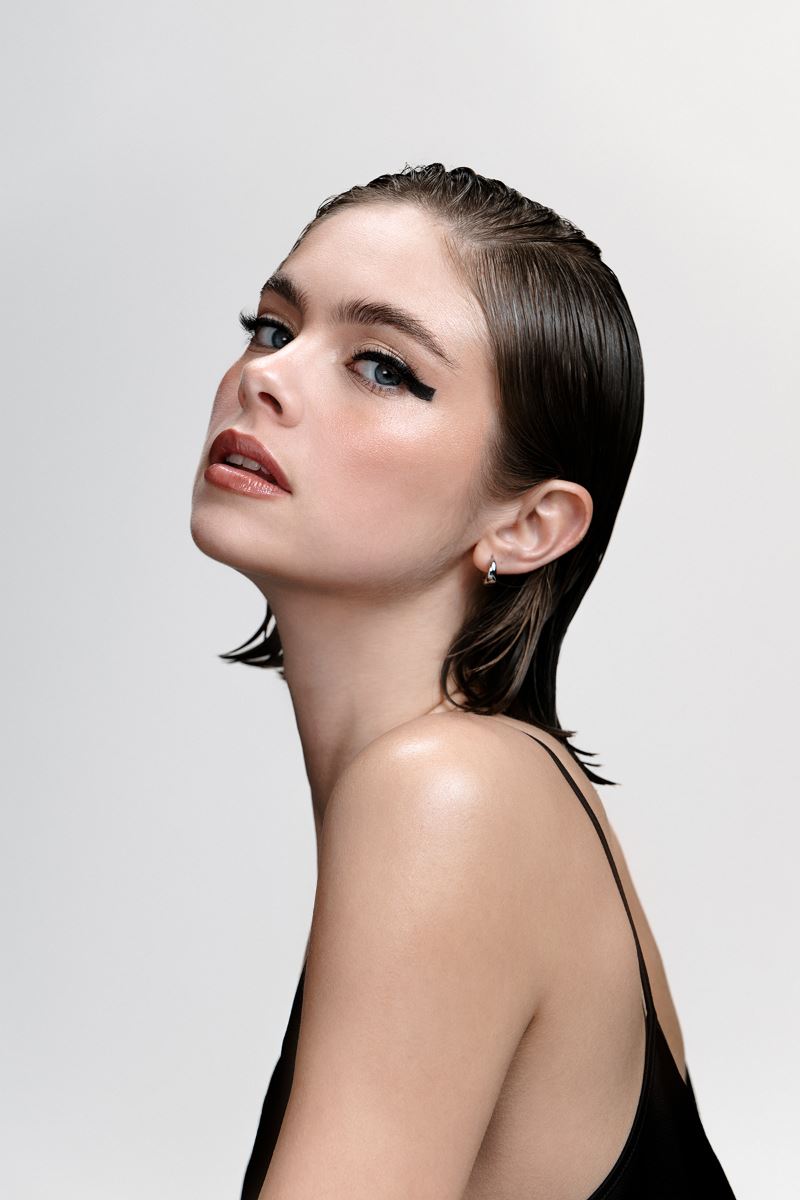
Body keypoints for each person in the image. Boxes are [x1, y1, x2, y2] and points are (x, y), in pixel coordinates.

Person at [190, 164, 736, 1199]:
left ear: (528, 525)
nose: (267, 377)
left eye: (383, 367)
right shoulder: (500, 775)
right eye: (272, 327)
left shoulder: (449, 796)